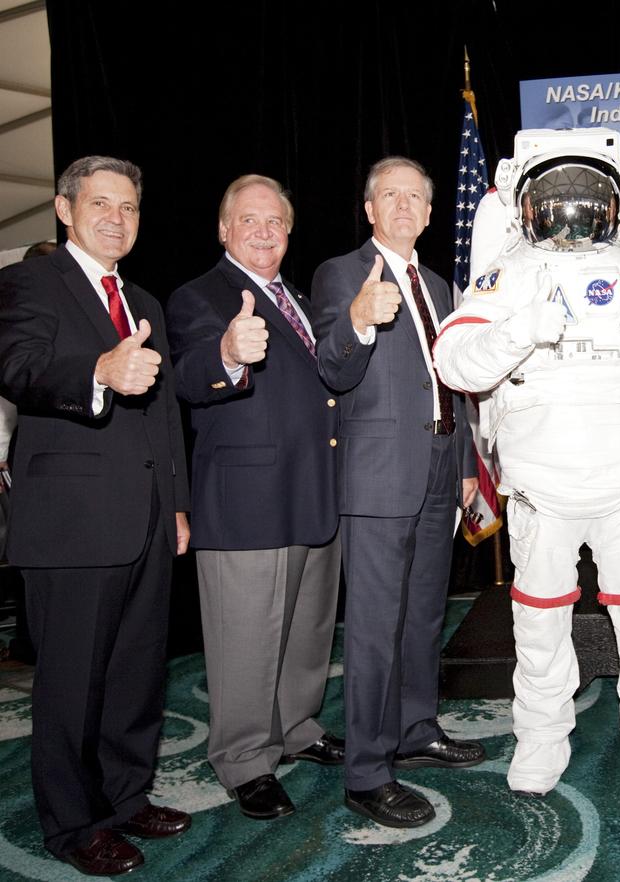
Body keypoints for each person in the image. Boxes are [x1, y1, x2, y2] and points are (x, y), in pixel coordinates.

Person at [435, 127, 620, 799]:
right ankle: (541, 738)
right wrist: (518, 331)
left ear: (616, 206)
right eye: (556, 196)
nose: (571, 211)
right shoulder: (507, 276)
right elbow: (454, 360)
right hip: (540, 490)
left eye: (586, 195)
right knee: (537, 624)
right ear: (526, 206)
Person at [0, 156, 192, 875]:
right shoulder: (29, 282)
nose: (117, 217)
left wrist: (176, 503)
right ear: (64, 208)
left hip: (145, 518)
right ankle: (73, 827)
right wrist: (98, 374)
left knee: (137, 672)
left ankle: (124, 796)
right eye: (101, 204)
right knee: (72, 684)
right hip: (71, 522)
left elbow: (166, 411)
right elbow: (17, 366)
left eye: (130, 208)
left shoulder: (143, 298)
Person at [311, 156, 482, 828]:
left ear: (431, 213)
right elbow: (330, 367)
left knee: (423, 618)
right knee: (376, 630)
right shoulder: (342, 273)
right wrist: (355, 321)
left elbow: (454, 382)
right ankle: (367, 771)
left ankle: (416, 730)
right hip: (379, 476)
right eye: (391, 194)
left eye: (416, 196)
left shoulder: (438, 284)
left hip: (442, 466)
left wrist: (466, 461)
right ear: (370, 208)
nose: (405, 205)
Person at [166, 175, 344, 821]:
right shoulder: (199, 296)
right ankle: (244, 760)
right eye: (249, 219)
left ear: (289, 231)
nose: (263, 230)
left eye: (275, 221)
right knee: (246, 640)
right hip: (245, 503)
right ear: (223, 229)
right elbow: (187, 376)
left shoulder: (294, 297)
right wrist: (228, 353)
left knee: (306, 630)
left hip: (312, 490)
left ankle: (296, 727)